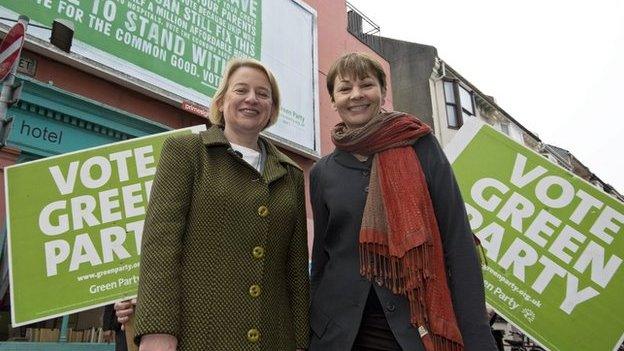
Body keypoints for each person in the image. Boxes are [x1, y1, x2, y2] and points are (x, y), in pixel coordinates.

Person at [309, 52, 497, 351]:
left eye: (366, 85)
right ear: (333, 99)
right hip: (338, 333)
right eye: (345, 88)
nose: (356, 95)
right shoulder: (322, 172)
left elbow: (457, 242)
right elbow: (321, 259)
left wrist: (477, 338)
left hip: (414, 329)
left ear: (383, 92)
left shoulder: (421, 146)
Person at [124, 57, 309, 351]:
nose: (252, 99)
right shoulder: (185, 152)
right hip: (196, 336)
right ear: (221, 101)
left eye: (263, 94)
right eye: (241, 90)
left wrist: (300, 340)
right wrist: (157, 330)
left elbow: (295, 268)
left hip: (274, 338)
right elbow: (161, 246)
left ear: (272, 109)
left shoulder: (292, 175)